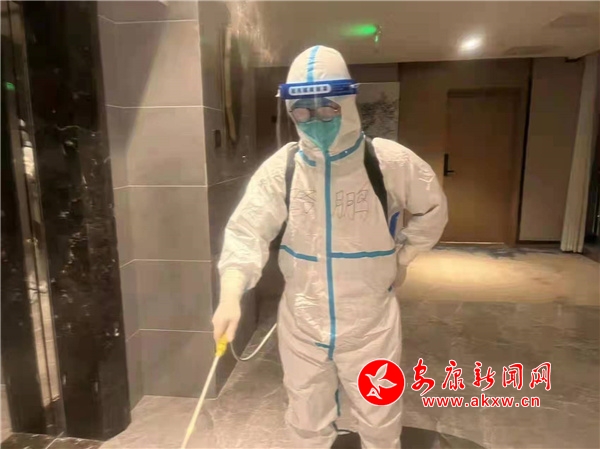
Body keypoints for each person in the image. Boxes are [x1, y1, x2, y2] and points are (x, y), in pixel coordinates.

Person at [212, 45, 448, 449]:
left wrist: (404, 256)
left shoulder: (386, 161)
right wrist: (230, 295)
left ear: (348, 103)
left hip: (371, 321)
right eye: (302, 111)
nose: (315, 119)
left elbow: (433, 209)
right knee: (305, 418)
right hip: (302, 319)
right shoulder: (284, 167)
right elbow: (246, 231)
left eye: (327, 108)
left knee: (380, 414)